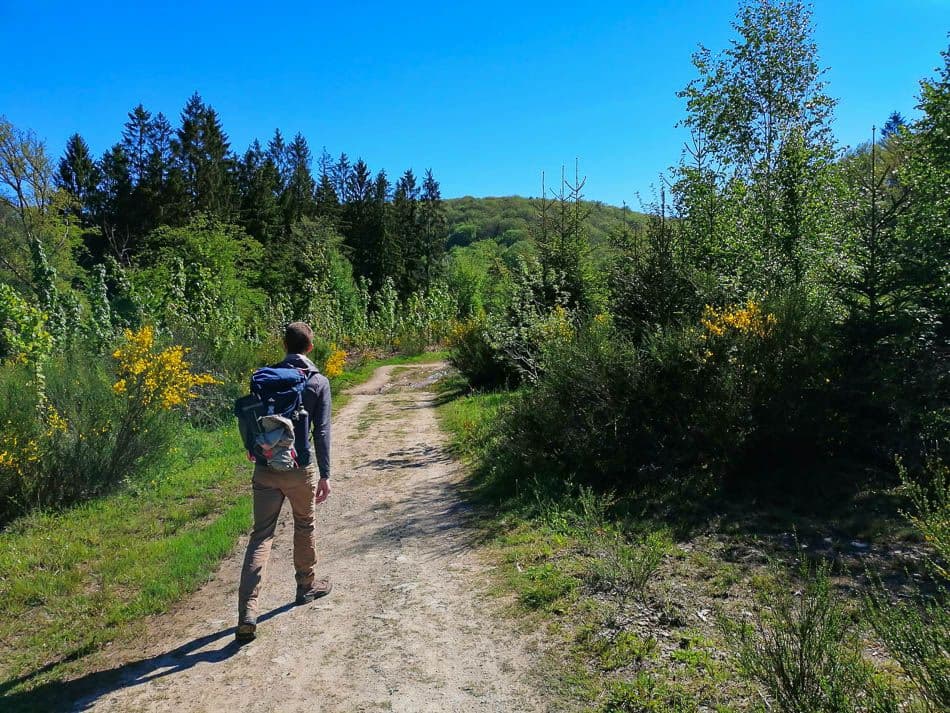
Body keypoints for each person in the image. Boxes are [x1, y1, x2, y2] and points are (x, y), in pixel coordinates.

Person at [236, 321, 332, 642]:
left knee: (261, 536)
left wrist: (253, 449)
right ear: (310, 346)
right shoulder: (317, 381)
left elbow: (252, 418)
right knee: (304, 524)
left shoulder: (267, 379)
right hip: (298, 469)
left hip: (265, 467)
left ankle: (247, 612)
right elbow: (321, 431)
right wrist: (326, 474)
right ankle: (306, 586)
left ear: (284, 346)